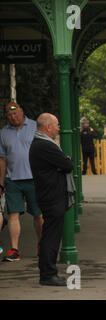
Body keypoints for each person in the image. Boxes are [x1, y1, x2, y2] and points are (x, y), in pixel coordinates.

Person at [29, 113, 74, 286]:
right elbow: (68, 164)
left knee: (50, 234)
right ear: (48, 127)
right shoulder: (45, 146)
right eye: (57, 125)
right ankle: (48, 274)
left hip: (49, 195)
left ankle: (48, 272)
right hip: (52, 196)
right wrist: (62, 165)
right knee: (51, 237)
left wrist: (61, 165)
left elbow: (64, 164)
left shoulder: (41, 144)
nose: (59, 129)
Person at [0, 102, 43, 262]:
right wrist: (1, 183)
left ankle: (41, 244)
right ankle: (14, 249)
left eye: (15, 114)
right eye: (9, 115)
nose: (13, 117)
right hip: (12, 180)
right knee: (13, 214)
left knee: (38, 214)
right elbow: (2, 160)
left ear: (22, 112)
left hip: (34, 178)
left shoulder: (34, 127)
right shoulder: (4, 133)